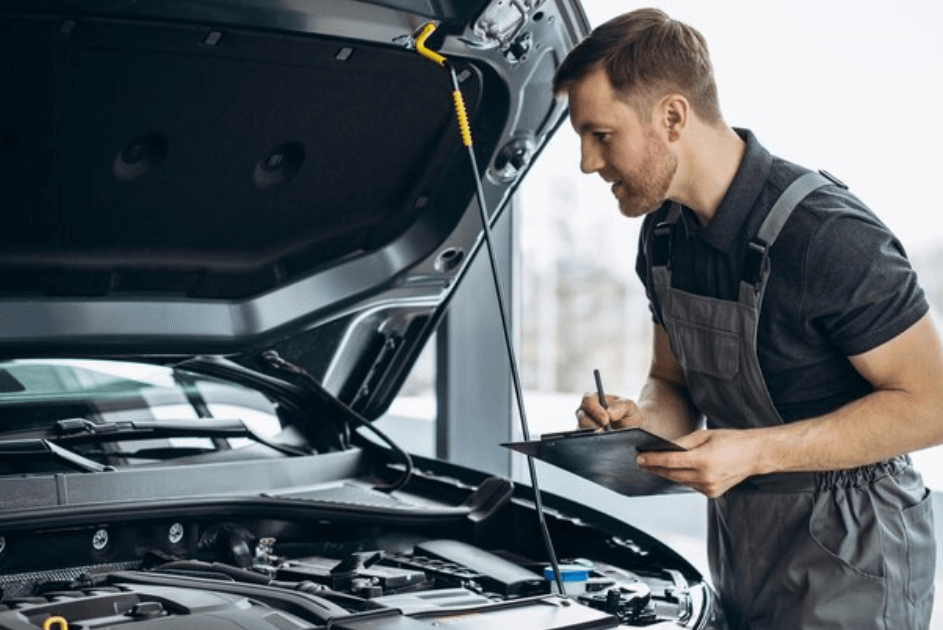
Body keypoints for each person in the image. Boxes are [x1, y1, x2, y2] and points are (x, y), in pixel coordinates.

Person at [553, 7, 943, 630]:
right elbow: (673, 381)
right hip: (743, 543)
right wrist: (643, 423)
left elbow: (932, 404)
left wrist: (754, 452)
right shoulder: (663, 234)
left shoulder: (827, 237)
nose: (587, 163)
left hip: (857, 549)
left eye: (601, 134)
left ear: (673, 116)